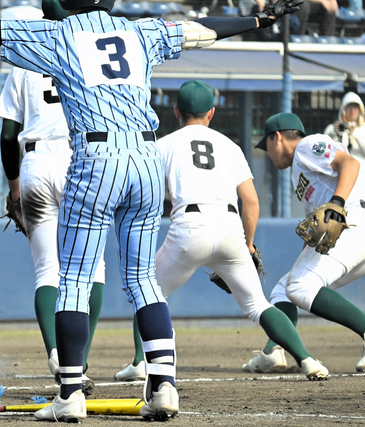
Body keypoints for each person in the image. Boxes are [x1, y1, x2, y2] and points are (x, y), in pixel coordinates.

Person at [0, 0, 301, 420]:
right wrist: (259, 19)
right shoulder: (141, 30)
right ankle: (165, 387)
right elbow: (204, 30)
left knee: (74, 278)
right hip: (146, 157)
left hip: (97, 158)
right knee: (143, 280)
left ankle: (70, 393)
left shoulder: (59, 34)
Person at [113, 81, 328, 383]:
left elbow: (142, 193)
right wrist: (249, 245)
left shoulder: (163, 145)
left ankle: (141, 361)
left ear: (176, 111)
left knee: (146, 291)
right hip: (230, 229)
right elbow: (250, 202)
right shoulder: (231, 147)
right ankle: (308, 360)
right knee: (258, 305)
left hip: (189, 227)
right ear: (212, 113)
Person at [0, 0, 105, 394]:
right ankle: (80, 361)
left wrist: (13, 183)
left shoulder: (26, 56)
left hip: (36, 163)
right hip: (83, 158)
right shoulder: (93, 50)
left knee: (47, 270)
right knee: (93, 269)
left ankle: (57, 355)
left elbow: (7, 135)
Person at [245, 112, 365, 374]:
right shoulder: (297, 172)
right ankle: (273, 351)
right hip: (354, 235)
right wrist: (300, 265)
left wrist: (337, 204)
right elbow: (317, 230)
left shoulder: (306, 146)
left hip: (356, 222)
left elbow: (349, 163)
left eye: (266, 145)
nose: (267, 153)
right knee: (285, 288)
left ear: (277, 137)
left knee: (299, 286)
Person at [324, 92, 365, 191]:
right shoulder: (334, 128)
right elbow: (325, 150)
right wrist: (333, 132)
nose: (352, 110)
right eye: (349, 107)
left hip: (362, 178)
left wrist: (355, 134)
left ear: (360, 110)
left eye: (355, 107)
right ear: (343, 109)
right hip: (339, 179)